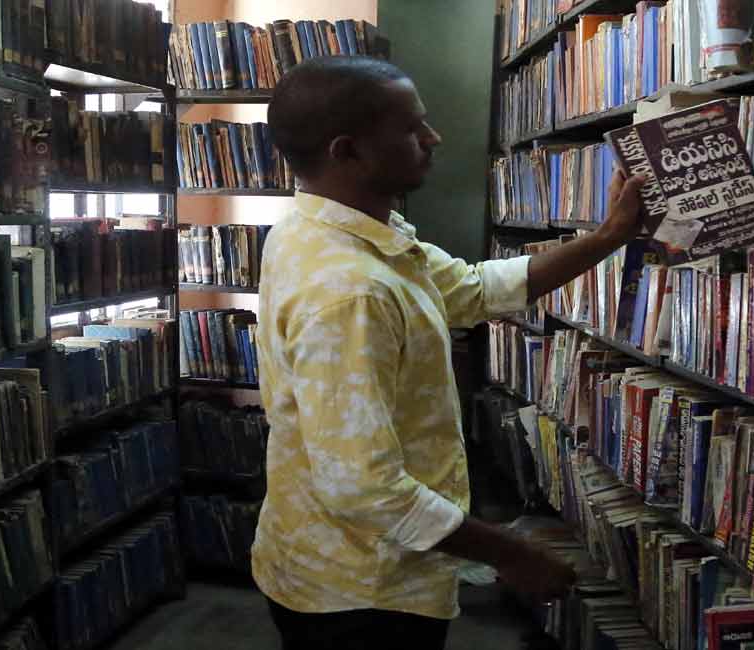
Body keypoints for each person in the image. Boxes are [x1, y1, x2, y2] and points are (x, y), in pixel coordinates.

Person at [253, 56, 649, 650]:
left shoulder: (341, 234)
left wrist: (604, 239)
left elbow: (473, 289)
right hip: (359, 592)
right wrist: (511, 554)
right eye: (412, 129)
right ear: (348, 150)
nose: (433, 139)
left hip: (353, 569)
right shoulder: (348, 289)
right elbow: (362, 487)